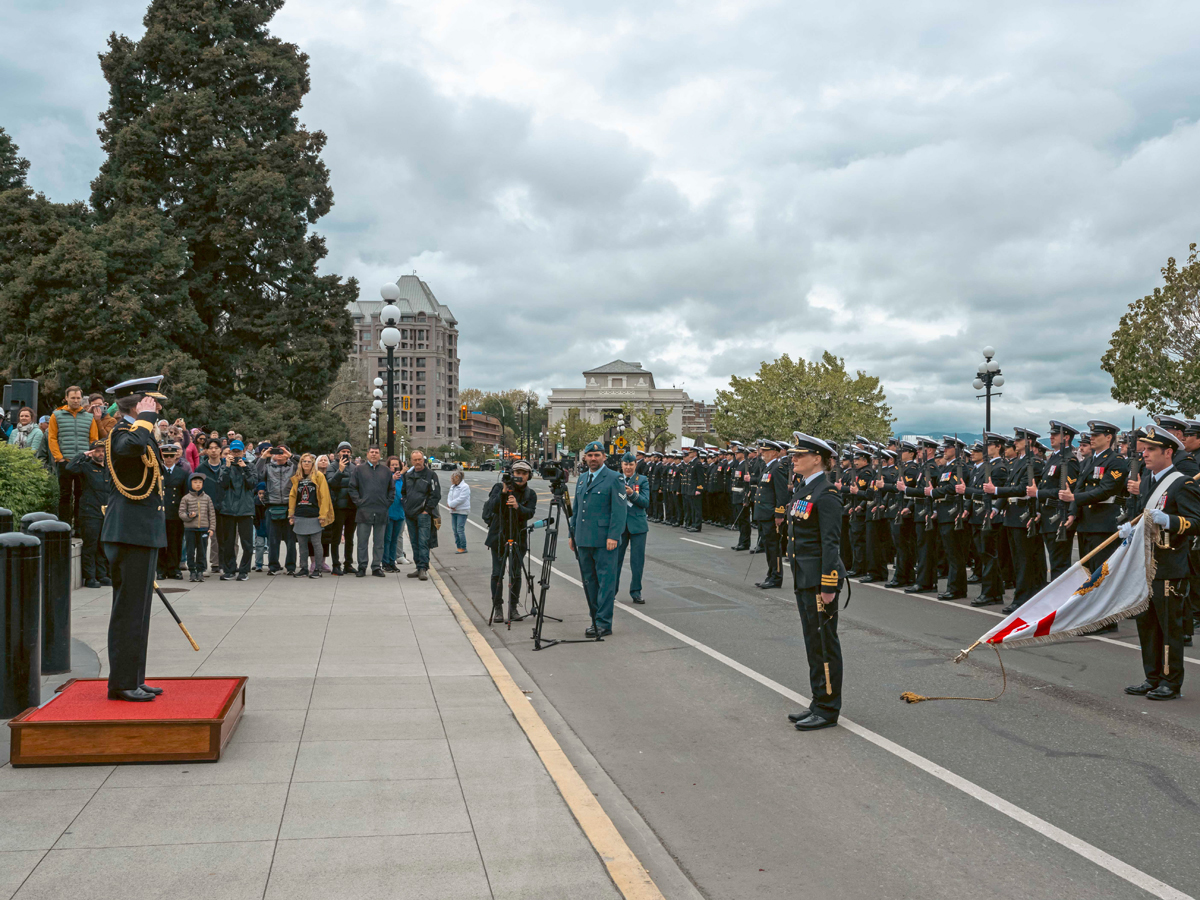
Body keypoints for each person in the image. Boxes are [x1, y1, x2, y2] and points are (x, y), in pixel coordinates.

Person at [101, 375, 170, 702]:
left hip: (141, 532)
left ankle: (135, 678)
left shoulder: (139, 432)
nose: (156, 407)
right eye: (151, 402)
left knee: (139, 612)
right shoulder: (122, 432)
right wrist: (143, 420)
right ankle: (122, 684)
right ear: (137, 403)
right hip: (129, 533)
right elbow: (128, 450)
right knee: (128, 611)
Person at [1121, 426, 1200, 701]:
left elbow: (1197, 522)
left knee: (1169, 628)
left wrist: (1171, 521)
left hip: (1170, 566)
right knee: (1147, 625)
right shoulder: (1146, 482)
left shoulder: (1182, 483)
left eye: (1151, 449)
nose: (1144, 454)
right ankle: (1151, 677)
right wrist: (1128, 529)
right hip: (1145, 564)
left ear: (1168, 452)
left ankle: (1170, 681)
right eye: (1144, 449)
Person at [784, 433, 846, 731]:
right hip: (803, 576)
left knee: (824, 643)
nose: (793, 459)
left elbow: (831, 544)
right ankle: (817, 700)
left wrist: (829, 585)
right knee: (812, 641)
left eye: (799, 455)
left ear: (817, 458)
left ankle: (828, 708)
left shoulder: (827, 493)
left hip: (819, 581)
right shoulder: (805, 489)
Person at [570, 441, 627, 637]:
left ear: (604, 457)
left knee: (606, 582)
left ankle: (604, 623)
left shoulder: (614, 478)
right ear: (585, 457)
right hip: (584, 539)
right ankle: (594, 618)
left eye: (597, 455)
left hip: (605, 541)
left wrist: (614, 535)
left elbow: (619, 512)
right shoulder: (582, 478)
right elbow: (576, 509)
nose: (593, 459)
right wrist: (572, 534)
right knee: (589, 582)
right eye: (589, 455)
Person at [482, 462, 537, 621]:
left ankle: (513, 608)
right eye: (517, 472)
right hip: (498, 537)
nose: (519, 476)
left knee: (516, 574)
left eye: (524, 473)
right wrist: (504, 492)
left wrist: (518, 507)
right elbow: (492, 507)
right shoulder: (499, 488)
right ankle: (497, 608)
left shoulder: (530, 494)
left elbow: (529, 513)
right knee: (497, 574)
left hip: (518, 537)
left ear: (529, 476)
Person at [48, 385, 100, 530]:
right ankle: (63, 528)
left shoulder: (89, 417)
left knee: (81, 495)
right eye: (73, 398)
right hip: (64, 460)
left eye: (78, 398)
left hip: (83, 462)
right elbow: (52, 438)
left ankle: (78, 527)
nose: (76, 401)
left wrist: (89, 458)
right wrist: (59, 458)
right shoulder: (56, 415)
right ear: (66, 398)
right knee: (65, 495)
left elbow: (93, 440)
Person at [66, 440, 112, 588]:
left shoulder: (109, 468)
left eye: (103, 451)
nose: (100, 454)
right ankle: (90, 577)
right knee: (91, 544)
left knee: (103, 545)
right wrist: (83, 455)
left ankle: (102, 574)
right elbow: (69, 468)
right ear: (92, 452)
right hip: (90, 511)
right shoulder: (86, 467)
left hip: (106, 511)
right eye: (97, 451)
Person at [349, 445, 395, 577]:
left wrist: (387, 503)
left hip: (381, 511)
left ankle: (376, 567)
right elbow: (352, 488)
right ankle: (362, 566)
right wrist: (359, 502)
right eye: (372, 452)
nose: (374, 454)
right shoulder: (359, 470)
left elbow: (391, 490)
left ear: (380, 455)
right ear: (367, 454)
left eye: (376, 452)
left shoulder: (386, 471)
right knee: (362, 542)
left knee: (379, 542)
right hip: (364, 511)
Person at [289, 452, 334, 578]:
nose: (306, 463)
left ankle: (317, 569)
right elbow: (293, 497)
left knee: (316, 543)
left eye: (309, 461)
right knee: (302, 544)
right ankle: (303, 568)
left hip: (314, 514)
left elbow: (325, 496)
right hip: (300, 514)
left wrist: (323, 514)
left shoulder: (319, 476)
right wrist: (291, 514)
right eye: (304, 461)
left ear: (313, 463)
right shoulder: (297, 477)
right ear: (301, 463)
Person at [218, 440, 257, 580]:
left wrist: (244, 467)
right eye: (233, 451)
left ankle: (244, 570)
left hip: (245, 509)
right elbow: (222, 483)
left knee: (247, 543)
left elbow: (252, 484)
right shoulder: (224, 466)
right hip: (228, 508)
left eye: (238, 451)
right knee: (228, 542)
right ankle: (229, 570)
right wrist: (227, 466)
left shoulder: (250, 466)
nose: (236, 454)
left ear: (243, 451)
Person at [753, 441, 790, 590]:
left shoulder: (777, 468)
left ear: (775, 452)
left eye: (766, 451)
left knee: (774, 547)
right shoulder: (768, 467)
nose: (762, 453)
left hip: (771, 514)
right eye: (762, 450)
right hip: (764, 513)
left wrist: (779, 513)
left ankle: (776, 577)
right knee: (768, 547)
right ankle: (771, 574)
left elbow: (781, 493)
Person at [402, 450, 441, 580]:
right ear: (411, 461)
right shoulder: (408, 475)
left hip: (424, 514)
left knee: (423, 541)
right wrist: (405, 506)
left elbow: (435, 495)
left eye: (419, 459)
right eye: (415, 460)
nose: (417, 462)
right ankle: (418, 567)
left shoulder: (431, 475)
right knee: (414, 542)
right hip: (410, 514)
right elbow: (404, 493)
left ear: (423, 460)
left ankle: (424, 568)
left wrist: (427, 510)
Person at [615, 452, 649, 604]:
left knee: (637, 561)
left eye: (631, 464)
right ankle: (612, 591)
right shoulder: (615, 479)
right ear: (621, 465)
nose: (628, 467)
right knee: (615, 560)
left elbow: (645, 502)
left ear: (635, 465)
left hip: (638, 526)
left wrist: (632, 494)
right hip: (619, 525)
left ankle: (636, 591)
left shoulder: (642, 480)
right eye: (625, 464)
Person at [263, 444, 298, 575]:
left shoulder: (293, 467)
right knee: (273, 540)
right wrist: (263, 457)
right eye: (277, 452)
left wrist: (291, 456)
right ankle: (273, 566)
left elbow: (306, 466)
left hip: (290, 506)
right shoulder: (268, 466)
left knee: (290, 540)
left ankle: (291, 566)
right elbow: (256, 473)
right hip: (272, 505)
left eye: (283, 452)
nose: (280, 454)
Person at [157, 442, 189, 580]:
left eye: (171, 455)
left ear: (176, 456)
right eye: (166, 455)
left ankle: (174, 568)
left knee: (175, 542)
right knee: (160, 543)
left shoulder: (182, 473)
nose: (168, 458)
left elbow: (185, 494)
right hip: (159, 512)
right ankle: (161, 569)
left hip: (175, 513)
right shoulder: (157, 472)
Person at [325, 441, 357, 575]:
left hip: (352, 507)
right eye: (343, 451)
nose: (345, 453)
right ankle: (336, 565)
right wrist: (340, 470)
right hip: (338, 507)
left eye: (348, 452)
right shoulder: (332, 466)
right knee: (336, 538)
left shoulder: (355, 468)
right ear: (338, 453)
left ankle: (348, 564)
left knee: (350, 538)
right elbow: (331, 483)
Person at [179, 472, 216, 582]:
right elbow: (181, 513)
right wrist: (189, 516)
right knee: (190, 551)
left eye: (200, 482)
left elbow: (212, 514)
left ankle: (201, 571)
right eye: (195, 482)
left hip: (204, 529)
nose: (198, 484)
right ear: (190, 484)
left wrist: (212, 528)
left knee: (202, 551)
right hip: (190, 529)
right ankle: (192, 571)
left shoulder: (207, 498)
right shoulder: (186, 498)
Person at [382, 456, 409, 571]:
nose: (394, 467)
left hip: (400, 512)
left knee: (395, 538)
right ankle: (385, 562)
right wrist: (392, 478)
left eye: (396, 465)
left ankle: (393, 561)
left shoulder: (403, 480)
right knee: (387, 539)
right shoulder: (386, 479)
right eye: (392, 465)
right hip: (389, 512)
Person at [446, 469, 470, 553]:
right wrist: (450, 504)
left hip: (462, 511)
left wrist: (452, 504)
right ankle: (458, 546)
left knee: (460, 529)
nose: (451, 479)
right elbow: (449, 496)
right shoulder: (452, 487)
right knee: (455, 530)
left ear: (457, 478)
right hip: (454, 511)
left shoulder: (465, 487)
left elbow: (462, 499)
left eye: (453, 478)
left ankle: (463, 547)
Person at [253, 481, 269, 571]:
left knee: (271, 545)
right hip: (259, 525)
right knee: (259, 545)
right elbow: (254, 516)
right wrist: (256, 524)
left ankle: (272, 562)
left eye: (263, 493)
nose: (261, 495)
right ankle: (258, 564)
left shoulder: (268, 501)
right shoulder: (255, 502)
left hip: (268, 525)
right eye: (260, 493)